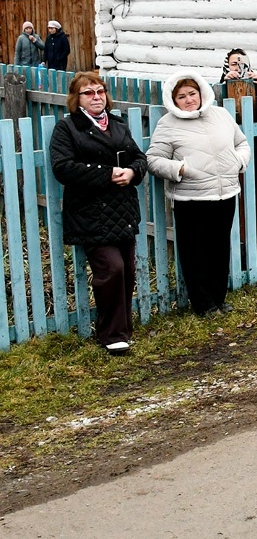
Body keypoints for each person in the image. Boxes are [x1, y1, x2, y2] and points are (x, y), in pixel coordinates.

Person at [49, 72, 148, 354]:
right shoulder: (68, 128)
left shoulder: (117, 124)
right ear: (76, 98)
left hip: (123, 209)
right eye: (88, 92)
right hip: (90, 213)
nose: (96, 97)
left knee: (127, 270)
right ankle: (111, 334)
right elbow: (63, 167)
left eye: (100, 91)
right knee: (111, 269)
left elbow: (139, 158)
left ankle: (123, 330)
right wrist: (107, 174)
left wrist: (131, 172)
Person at [146, 71, 252, 314]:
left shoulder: (221, 115)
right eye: (181, 96)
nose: (189, 99)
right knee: (195, 253)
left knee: (220, 248)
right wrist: (179, 169)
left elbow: (242, 143)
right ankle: (203, 304)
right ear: (173, 100)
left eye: (192, 93)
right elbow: (153, 159)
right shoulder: (168, 124)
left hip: (224, 194)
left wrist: (238, 161)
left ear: (202, 92)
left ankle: (219, 298)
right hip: (191, 198)